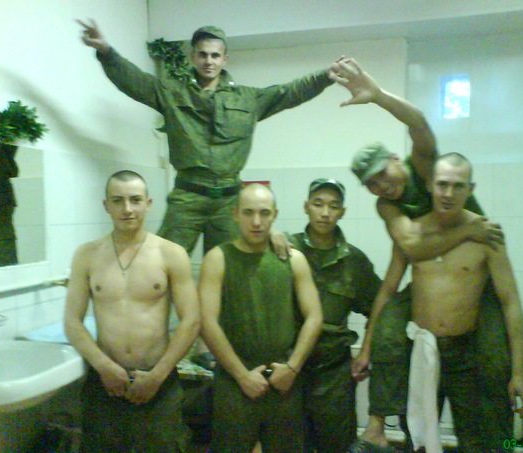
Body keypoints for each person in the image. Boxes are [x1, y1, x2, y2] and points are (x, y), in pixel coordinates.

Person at [328, 59, 512, 452]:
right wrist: (366, 346)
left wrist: (378, 96)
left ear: (397, 159)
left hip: (476, 283)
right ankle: (377, 425)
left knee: (495, 366)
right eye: (372, 183)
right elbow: (410, 250)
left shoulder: (427, 168)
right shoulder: (387, 206)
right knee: (388, 326)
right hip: (429, 283)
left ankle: (504, 442)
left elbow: (420, 124)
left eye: (383, 173)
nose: (382, 185)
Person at [78, 19, 341, 257]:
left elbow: (289, 93)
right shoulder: (172, 93)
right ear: (193, 57)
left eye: (215, 55)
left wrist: (325, 77)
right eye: (202, 54)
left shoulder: (248, 99)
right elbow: (135, 82)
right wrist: (106, 52)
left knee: (230, 269)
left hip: (230, 201)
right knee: (161, 264)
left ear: (225, 59)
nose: (209, 61)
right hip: (187, 196)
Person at [385, 153, 523, 451]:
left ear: (470, 189)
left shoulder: (487, 234)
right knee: (417, 437)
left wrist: (519, 373)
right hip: (421, 352)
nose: (448, 193)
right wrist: (368, 347)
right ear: (429, 185)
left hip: (467, 355)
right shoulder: (414, 234)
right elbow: (388, 289)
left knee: (476, 441)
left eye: (458, 186)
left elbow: (510, 302)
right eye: (442, 184)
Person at [64, 170, 200, 453]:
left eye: (135, 200)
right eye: (118, 200)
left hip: (158, 380)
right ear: (106, 205)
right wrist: (103, 366)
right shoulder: (87, 255)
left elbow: (191, 321)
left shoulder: (171, 254)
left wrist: (158, 375)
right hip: (105, 382)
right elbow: (72, 322)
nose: (127, 209)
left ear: (148, 204)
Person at [199, 183, 323, 453]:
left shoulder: (293, 259)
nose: (256, 221)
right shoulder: (218, 259)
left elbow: (315, 316)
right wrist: (242, 376)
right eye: (248, 212)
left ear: (274, 214)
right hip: (234, 383)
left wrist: (292, 368)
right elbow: (207, 322)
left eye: (264, 213)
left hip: (284, 381)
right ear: (235, 214)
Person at [286, 178, 381, 452]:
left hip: (334, 373)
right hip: (289, 368)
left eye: (333, 206)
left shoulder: (354, 261)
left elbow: (379, 307)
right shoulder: (285, 250)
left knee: (337, 445)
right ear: (306, 207)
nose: (325, 213)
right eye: (318, 204)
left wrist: (366, 352)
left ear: (343, 212)